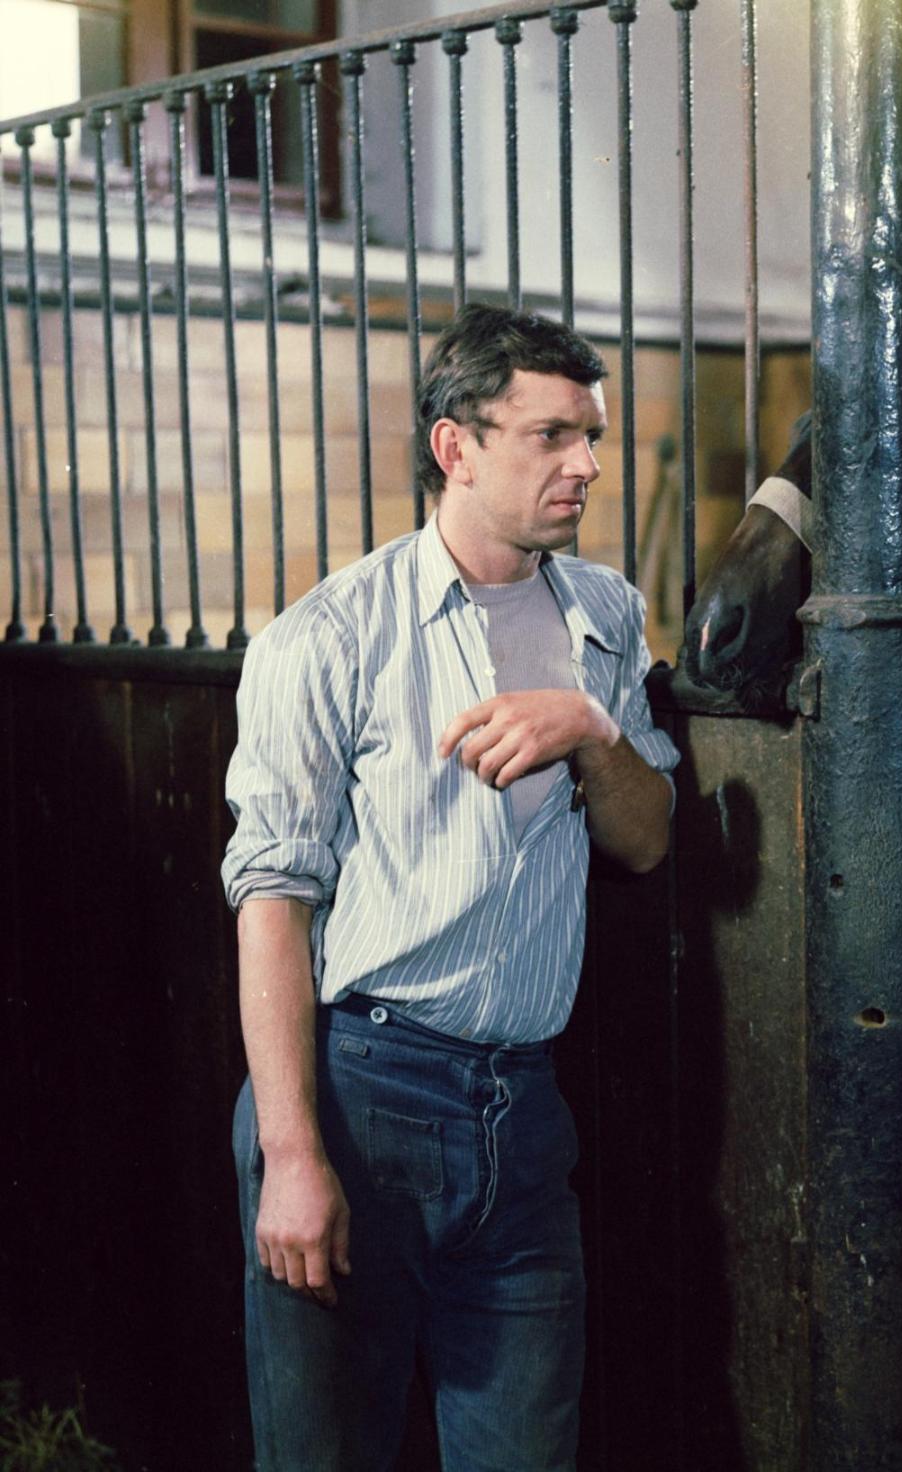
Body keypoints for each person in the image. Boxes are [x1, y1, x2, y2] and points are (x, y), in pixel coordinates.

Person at [222, 304, 679, 1471]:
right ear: (454, 447)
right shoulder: (330, 635)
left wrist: (591, 730)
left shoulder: (606, 613)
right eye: (551, 435)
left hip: (524, 1111)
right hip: (362, 1094)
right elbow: (272, 899)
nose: (586, 464)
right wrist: (292, 1154)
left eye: (591, 434)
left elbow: (645, 841)